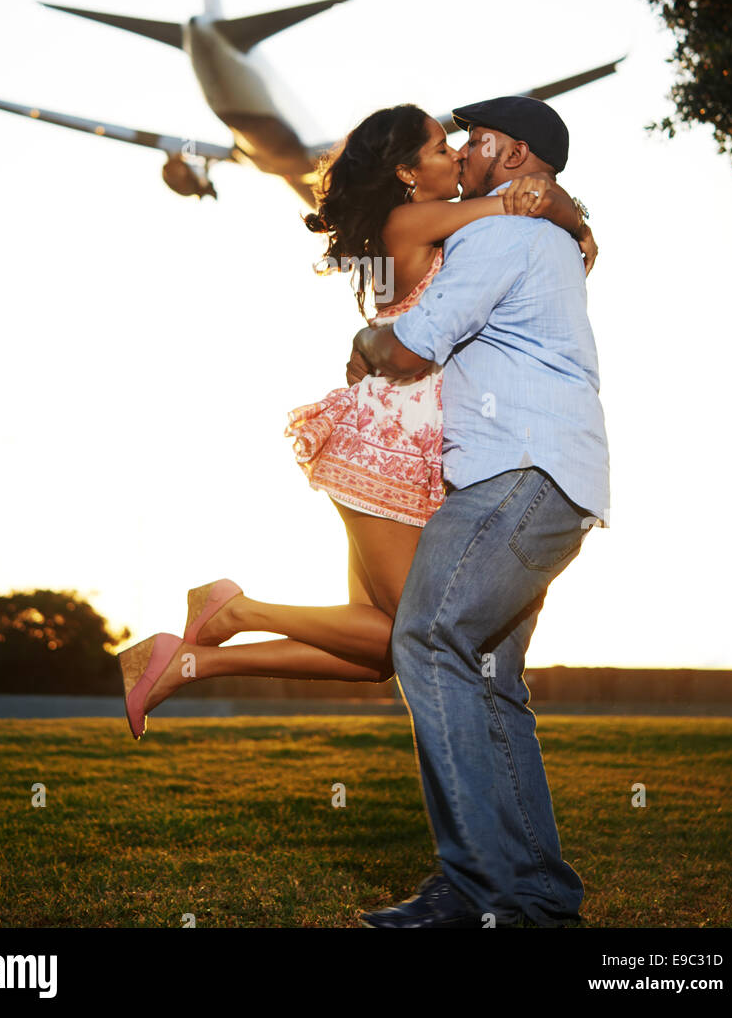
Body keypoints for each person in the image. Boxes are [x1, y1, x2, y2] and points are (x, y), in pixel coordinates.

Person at [118, 103, 597, 741]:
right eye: (438, 149)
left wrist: (567, 213)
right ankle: (234, 610)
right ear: (405, 173)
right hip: (387, 443)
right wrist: (576, 221)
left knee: (380, 654)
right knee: (414, 629)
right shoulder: (415, 219)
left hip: (404, 444)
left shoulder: (426, 222)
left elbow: (527, 206)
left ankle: (190, 662)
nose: (455, 154)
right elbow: (523, 206)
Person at [346, 95, 610, 929]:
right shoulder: (546, 235)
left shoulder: (498, 234)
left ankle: (476, 891)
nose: (461, 150)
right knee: (492, 681)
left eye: (474, 139)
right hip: (556, 483)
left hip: (511, 473)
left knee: (424, 640)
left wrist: (364, 345)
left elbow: (414, 343)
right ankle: (534, 898)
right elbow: (577, 231)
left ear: (513, 150)